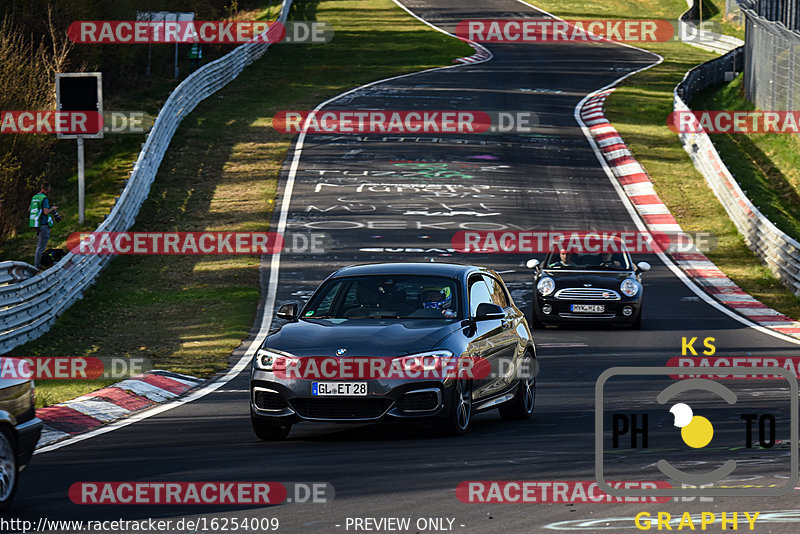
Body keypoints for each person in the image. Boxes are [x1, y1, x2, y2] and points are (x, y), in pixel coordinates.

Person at [29, 182, 57, 270]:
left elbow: (30, 210)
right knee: (41, 247)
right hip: (44, 225)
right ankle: (37, 266)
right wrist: (53, 209)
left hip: (37, 224)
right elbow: (46, 212)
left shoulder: (35, 197)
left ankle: (39, 263)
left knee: (39, 245)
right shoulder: (44, 198)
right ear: (47, 189)